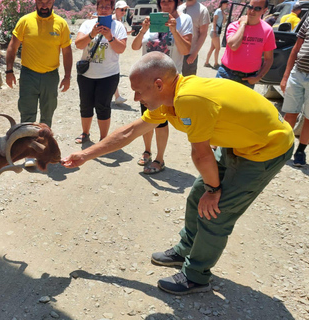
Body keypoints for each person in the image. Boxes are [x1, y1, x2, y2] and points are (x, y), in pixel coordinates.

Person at [62, 51, 294, 295]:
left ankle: (197, 276)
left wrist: (214, 190)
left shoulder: (189, 99)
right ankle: (186, 249)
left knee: (216, 211)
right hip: (239, 142)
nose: (135, 97)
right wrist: (86, 155)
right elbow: (129, 132)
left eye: (139, 91)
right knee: (197, 195)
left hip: (266, 148)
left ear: (159, 84)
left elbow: (201, 155)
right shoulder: (168, 99)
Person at [131, 0, 192, 173]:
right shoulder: (151, 20)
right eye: (162, 0)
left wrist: (174, 30)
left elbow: (186, 49)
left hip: (167, 82)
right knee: (146, 117)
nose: (165, 3)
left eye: (169, 0)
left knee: (161, 121)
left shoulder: (184, 20)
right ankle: (147, 151)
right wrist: (143, 29)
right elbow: (135, 46)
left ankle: (160, 158)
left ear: (176, 2)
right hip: (146, 82)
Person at [5, 0, 73, 129]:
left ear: (53, 1)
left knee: (47, 116)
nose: (44, 5)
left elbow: (67, 52)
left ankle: (43, 145)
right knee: (27, 115)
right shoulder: (25, 21)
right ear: (36, 1)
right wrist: (9, 71)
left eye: (47, 2)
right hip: (29, 76)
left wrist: (67, 76)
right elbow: (12, 47)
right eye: (41, 2)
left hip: (50, 76)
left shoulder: (61, 24)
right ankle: (25, 144)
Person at [73, 0, 127, 144]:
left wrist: (110, 36)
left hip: (108, 75)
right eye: (101, 6)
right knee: (85, 105)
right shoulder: (87, 24)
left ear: (112, 9)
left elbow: (121, 49)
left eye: (107, 7)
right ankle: (85, 133)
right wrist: (91, 34)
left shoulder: (118, 26)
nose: (103, 9)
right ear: (97, 8)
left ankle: (103, 139)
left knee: (103, 106)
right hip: (86, 75)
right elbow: (78, 45)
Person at [216, 0, 275, 89]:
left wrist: (258, 77)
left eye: (257, 8)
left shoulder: (267, 30)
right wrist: (243, 25)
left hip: (248, 79)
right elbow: (234, 46)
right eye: (250, 7)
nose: (252, 11)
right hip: (226, 74)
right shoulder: (234, 26)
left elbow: (269, 59)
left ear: (264, 10)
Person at [280, 17, 309, 166]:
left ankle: (300, 151)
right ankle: (282, 148)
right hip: (297, 72)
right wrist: (286, 75)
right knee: (290, 113)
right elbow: (296, 47)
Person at [178, 0, 210, 76]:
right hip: (176, 51)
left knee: (189, 81)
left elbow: (203, 34)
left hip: (190, 53)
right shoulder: (178, 8)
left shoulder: (203, 10)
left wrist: (194, 53)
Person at [113, 0, 130, 105]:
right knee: (113, 73)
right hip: (111, 50)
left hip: (114, 50)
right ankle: (117, 96)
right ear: (116, 9)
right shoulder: (114, 19)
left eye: (125, 10)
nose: (124, 11)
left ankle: (117, 96)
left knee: (113, 74)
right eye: (122, 9)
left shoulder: (119, 20)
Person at [204, 0, 229, 69]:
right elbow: (214, 22)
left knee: (212, 48)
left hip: (217, 31)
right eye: (226, 4)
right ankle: (216, 63)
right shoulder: (218, 11)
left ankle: (207, 62)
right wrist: (215, 31)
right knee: (218, 48)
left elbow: (223, 23)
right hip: (215, 31)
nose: (227, 5)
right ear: (223, 4)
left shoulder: (222, 12)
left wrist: (224, 16)